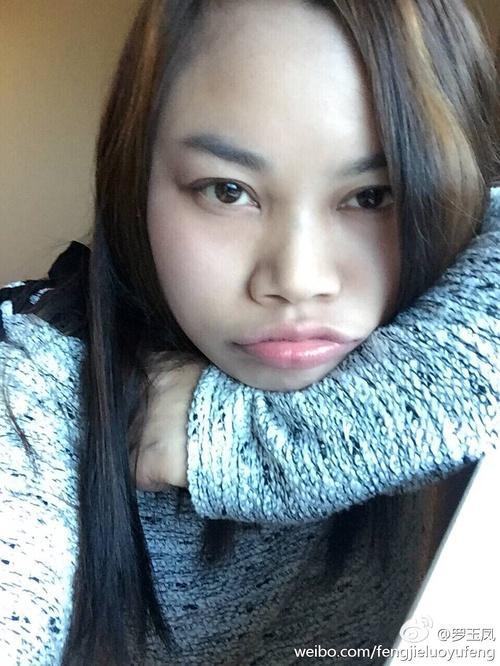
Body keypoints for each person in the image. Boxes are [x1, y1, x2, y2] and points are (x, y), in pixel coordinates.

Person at [0, 1, 498, 664]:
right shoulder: (33, 399)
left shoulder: (440, 295)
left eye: (372, 196)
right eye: (227, 191)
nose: (297, 279)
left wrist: (236, 441)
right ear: (135, 183)